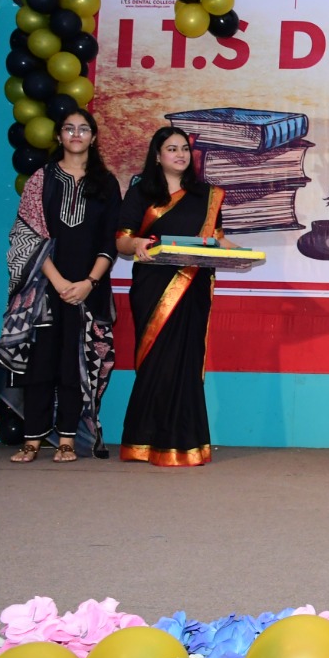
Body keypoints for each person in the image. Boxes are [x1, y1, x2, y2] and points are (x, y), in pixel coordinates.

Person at [0, 110, 121, 463]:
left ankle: (67, 439)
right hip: (45, 288)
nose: (76, 134)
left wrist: (88, 283)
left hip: (89, 289)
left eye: (83, 129)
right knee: (40, 362)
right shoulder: (42, 179)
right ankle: (32, 438)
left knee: (75, 363)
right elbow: (27, 234)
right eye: (69, 128)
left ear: (93, 137)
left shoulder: (106, 183)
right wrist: (60, 281)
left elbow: (110, 241)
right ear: (59, 136)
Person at [115, 126, 239, 466]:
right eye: (172, 149)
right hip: (153, 288)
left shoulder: (208, 195)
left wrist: (240, 253)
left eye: (184, 148)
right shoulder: (142, 192)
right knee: (158, 363)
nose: (180, 154)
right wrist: (136, 243)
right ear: (157, 156)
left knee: (185, 364)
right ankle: (143, 442)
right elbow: (121, 241)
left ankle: (184, 444)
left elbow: (217, 239)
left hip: (193, 287)